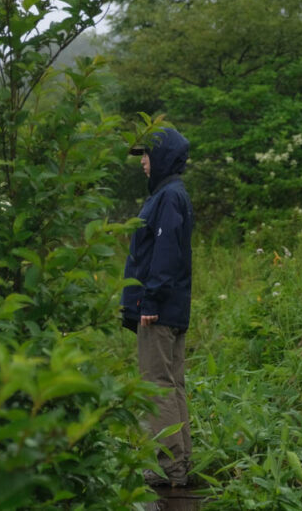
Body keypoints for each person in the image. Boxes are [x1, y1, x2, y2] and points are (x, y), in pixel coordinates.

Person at [121, 127, 194, 488]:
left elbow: (165, 256)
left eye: (147, 155)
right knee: (172, 384)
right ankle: (179, 462)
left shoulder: (168, 197)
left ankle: (168, 467)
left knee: (157, 385)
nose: (143, 164)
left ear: (163, 156)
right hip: (172, 308)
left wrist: (149, 301)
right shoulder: (172, 195)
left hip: (159, 310)